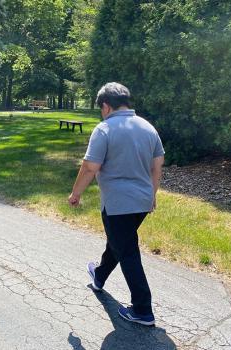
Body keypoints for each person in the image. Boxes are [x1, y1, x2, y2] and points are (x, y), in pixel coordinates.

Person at [68, 82, 164, 326]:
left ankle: (142, 310)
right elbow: (157, 166)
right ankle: (99, 276)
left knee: (127, 250)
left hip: (117, 203)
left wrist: (75, 194)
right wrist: (152, 195)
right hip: (142, 201)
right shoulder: (147, 127)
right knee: (120, 242)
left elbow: (90, 167)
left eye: (101, 108)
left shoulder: (104, 129)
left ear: (106, 106)